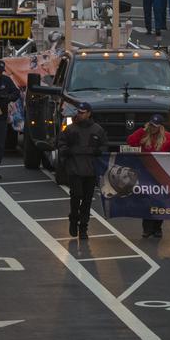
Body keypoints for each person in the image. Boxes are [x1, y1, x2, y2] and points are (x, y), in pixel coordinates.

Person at [126, 115, 170, 240]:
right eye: (151, 125)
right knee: (147, 202)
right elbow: (130, 141)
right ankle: (147, 229)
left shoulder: (169, 137)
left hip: (162, 175)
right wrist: (142, 130)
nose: (153, 128)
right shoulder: (144, 135)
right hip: (146, 173)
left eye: (155, 126)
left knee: (160, 202)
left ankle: (157, 228)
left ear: (160, 126)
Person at [59, 101, 106, 239]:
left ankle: (83, 227)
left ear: (89, 114)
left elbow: (104, 145)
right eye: (78, 112)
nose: (80, 114)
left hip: (90, 170)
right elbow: (61, 143)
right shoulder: (70, 129)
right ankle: (74, 219)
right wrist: (65, 151)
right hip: (75, 168)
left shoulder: (97, 130)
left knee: (87, 200)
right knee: (76, 195)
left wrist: (99, 151)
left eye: (83, 112)